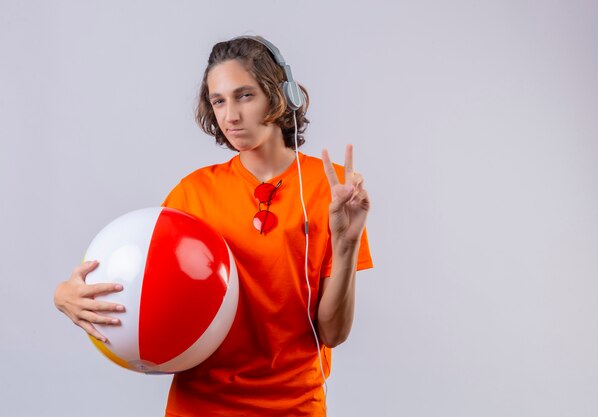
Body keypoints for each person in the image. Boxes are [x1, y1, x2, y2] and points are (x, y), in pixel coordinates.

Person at [54, 35, 373, 416]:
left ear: (280, 94)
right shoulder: (192, 193)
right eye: (219, 101)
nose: (230, 116)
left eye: (244, 96)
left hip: (295, 406)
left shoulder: (332, 189)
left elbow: (333, 334)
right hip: (199, 406)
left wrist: (346, 242)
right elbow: (141, 286)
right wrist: (64, 295)